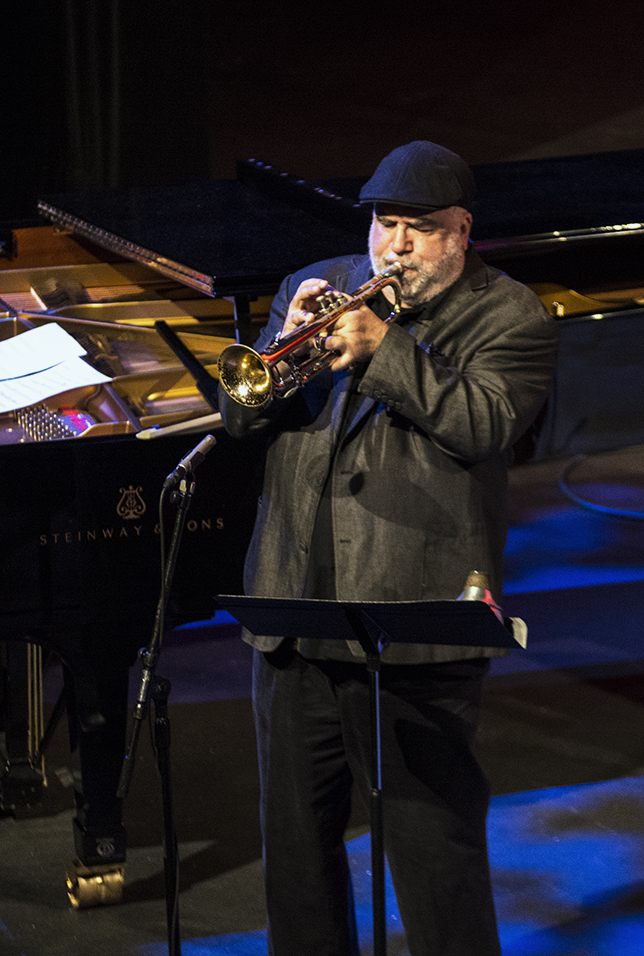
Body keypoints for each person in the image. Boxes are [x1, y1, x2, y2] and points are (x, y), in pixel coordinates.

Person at [222, 142, 558, 955]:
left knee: (432, 858)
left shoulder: (511, 318)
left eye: (419, 229)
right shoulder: (314, 281)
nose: (394, 246)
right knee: (297, 859)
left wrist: (384, 350)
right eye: (385, 223)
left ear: (461, 232)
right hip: (295, 613)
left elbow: (483, 424)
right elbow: (240, 417)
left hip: (413, 627)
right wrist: (292, 351)